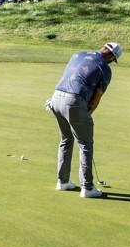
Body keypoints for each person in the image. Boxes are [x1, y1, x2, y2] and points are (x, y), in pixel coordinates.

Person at [45, 42, 121, 199]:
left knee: (66, 139)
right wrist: (88, 113)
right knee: (85, 143)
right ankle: (87, 187)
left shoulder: (78, 54)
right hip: (74, 100)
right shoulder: (105, 68)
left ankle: (63, 181)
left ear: (103, 47)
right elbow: (96, 98)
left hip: (56, 98)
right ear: (112, 57)